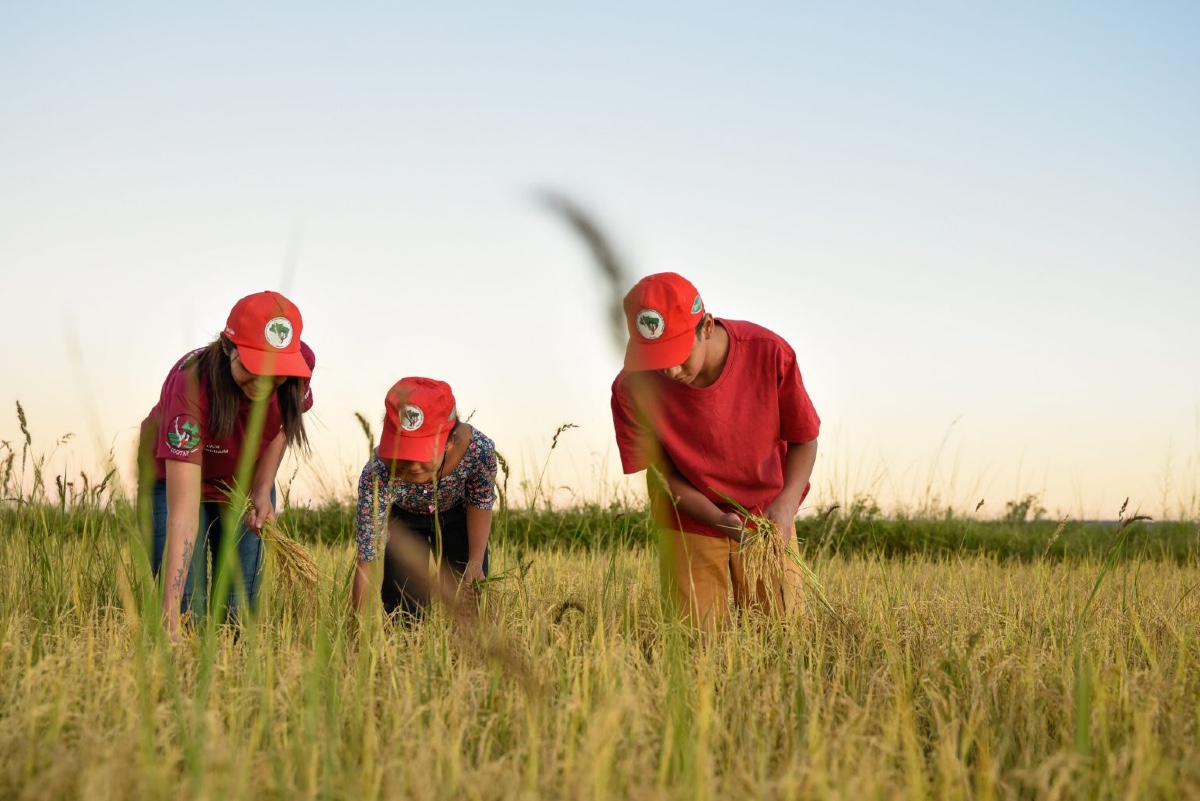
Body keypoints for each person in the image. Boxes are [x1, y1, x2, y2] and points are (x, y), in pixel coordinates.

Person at [610, 272, 820, 629]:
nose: (671, 371)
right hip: (688, 520)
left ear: (705, 327)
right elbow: (663, 474)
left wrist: (785, 506)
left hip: (766, 519)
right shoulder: (632, 389)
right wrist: (715, 518)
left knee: (783, 635)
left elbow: (804, 437)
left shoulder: (769, 353)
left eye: (677, 354)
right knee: (698, 642)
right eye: (656, 360)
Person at [138, 290, 315, 636]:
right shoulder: (189, 387)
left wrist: (262, 489)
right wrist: (170, 614)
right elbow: (184, 518)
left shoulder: (299, 367)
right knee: (186, 609)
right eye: (253, 367)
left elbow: (281, 426)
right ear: (227, 347)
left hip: (240, 483)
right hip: (174, 484)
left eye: (275, 371)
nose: (264, 382)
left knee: (237, 611)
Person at [351, 377, 498, 618]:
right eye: (404, 453)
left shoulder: (479, 451)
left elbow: (480, 502)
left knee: (467, 600)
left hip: (458, 516)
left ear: (449, 442)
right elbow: (368, 558)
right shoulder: (377, 473)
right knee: (402, 607)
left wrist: (475, 561)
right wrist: (358, 626)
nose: (413, 466)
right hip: (405, 522)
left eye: (422, 453)